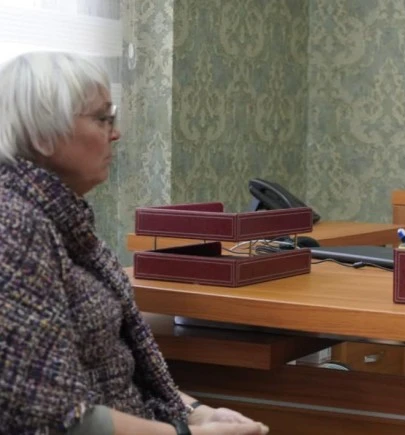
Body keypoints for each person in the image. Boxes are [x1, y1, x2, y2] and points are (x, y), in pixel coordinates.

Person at [0, 52, 269, 434]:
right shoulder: (12, 226)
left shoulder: (62, 218)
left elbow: (116, 363)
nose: (116, 133)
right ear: (43, 135)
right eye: (102, 118)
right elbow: (53, 417)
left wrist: (197, 412)